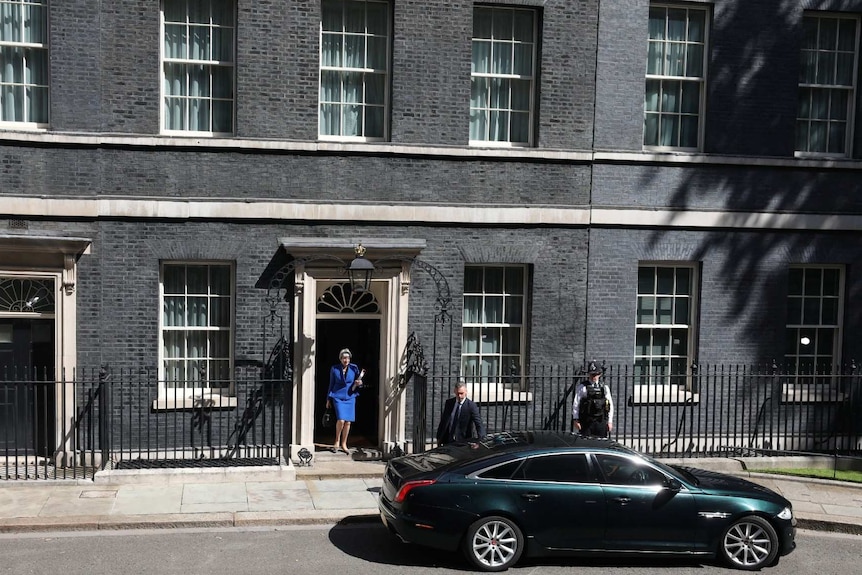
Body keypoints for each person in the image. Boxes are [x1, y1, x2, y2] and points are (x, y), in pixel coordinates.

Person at [326, 348, 364, 453]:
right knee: (341, 420)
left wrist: (359, 384)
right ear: (340, 359)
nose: (345, 360)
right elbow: (331, 384)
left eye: (347, 358)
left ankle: (344, 443)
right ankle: (337, 441)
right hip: (337, 396)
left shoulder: (354, 368)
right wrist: (328, 399)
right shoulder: (334, 369)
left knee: (348, 422)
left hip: (350, 397)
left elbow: (359, 382)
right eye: (343, 358)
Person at [436, 381, 486, 446]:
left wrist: (481, 441)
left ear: (466, 392)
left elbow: (478, 423)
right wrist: (439, 437)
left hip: (463, 441)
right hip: (448, 441)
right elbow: (444, 421)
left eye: (461, 393)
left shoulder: (471, 406)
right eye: (457, 394)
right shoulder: (449, 403)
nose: (459, 396)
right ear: (454, 392)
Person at [572, 362, 614, 437]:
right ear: (588, 374)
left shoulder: (604, 388)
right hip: (587, 421)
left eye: (596, 374)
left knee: (601, 443)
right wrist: (576, 419)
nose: (594, 377)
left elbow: (610, 405)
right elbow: (576, 404)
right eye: (592, 374)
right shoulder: (582, 387)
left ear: (600, 374)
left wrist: (610, 421)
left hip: (600, 420)